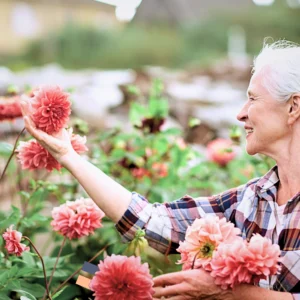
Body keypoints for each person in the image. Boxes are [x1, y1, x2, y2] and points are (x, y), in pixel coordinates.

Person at [20, 40, 300, 300]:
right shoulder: (251, 200)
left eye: (253, 99)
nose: (240, 113)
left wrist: (231, 293)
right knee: (84, 278)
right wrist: (68, 156)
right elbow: (153, 221)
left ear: (293, 107)